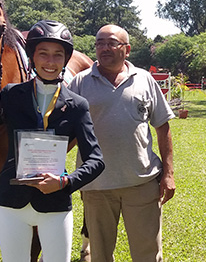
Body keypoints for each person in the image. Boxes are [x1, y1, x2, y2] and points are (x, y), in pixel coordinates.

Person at [0, 20, 105, 262]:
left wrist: (65, 181)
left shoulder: (77, 105)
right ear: (32, 57)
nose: (50, 62)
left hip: (55, 203)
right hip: (12, 202)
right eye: (43, 54)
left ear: (66, 60)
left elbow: (96, 160)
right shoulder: (11, 95)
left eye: (58, 55)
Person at [69, 24, 176, 262]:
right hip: (96, 186)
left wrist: (168, 173)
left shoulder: (145, 79)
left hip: (142, 183)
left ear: (126, 49)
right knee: (100, 255)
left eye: (111, 43)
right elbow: (64, 130)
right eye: (99, 43)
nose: (104, 48)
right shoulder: (79, 83)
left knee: (148, 253)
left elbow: (163, 127)